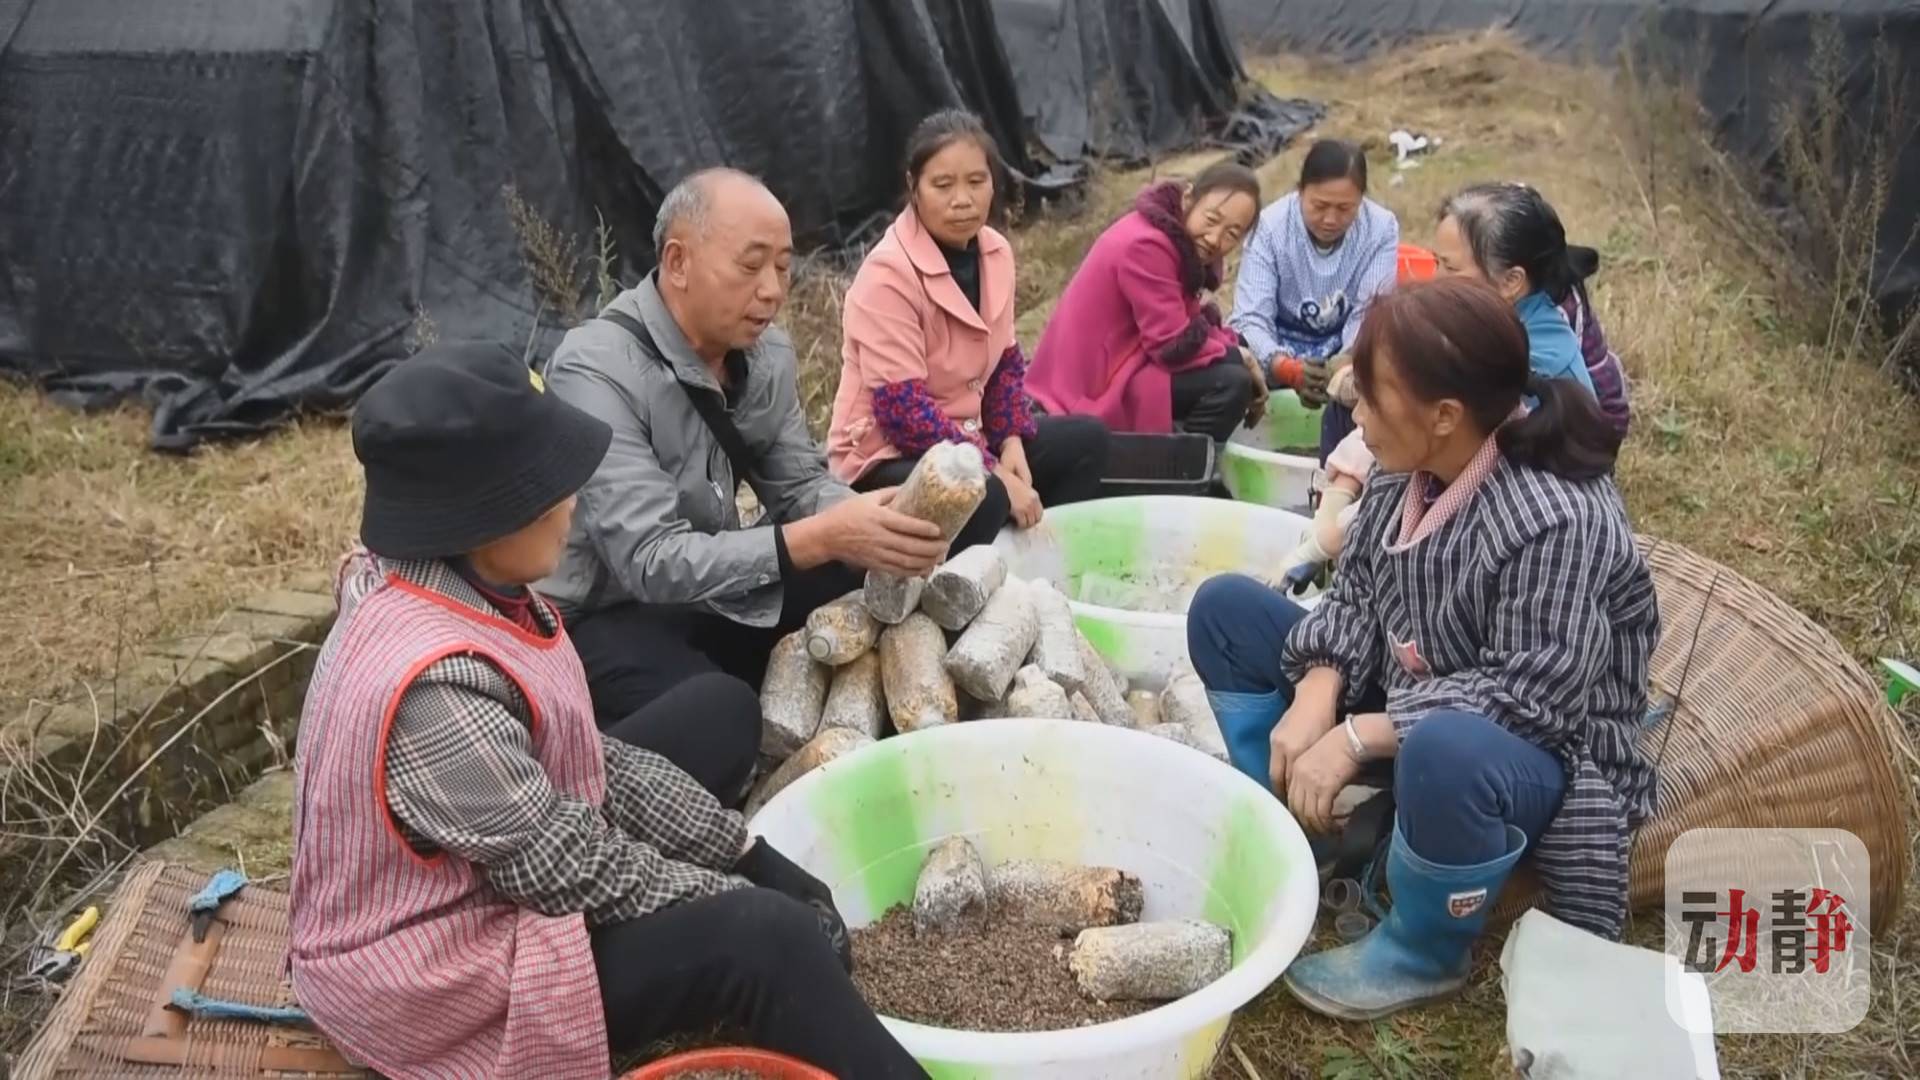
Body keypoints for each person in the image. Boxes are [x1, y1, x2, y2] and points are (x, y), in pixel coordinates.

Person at [289, 342, 925, 1080]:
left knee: (716, 721)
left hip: (494, 857)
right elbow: (568, 864)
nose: (574, 499)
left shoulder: (459, 578)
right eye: (552, 485)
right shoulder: (435, 694)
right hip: (426, 973)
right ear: (485, 516)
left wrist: (743, 849)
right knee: (764, 940)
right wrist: (734, 896)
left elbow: (594, 760)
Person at [1186, 279, 1660, 1020]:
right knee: (1224, 613)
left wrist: (1359, 734)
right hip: (1420, 682)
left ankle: (1424, 947)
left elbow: (1535, 697)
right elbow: (1359, 592)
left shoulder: (1556, 514)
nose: (1357, 413)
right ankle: (1294, 830)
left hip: (1537, 751)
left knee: (1442, 745)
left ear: (1445, 415)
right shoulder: (1408, 461)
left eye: (1372, 397)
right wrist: (1317, 694)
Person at [539, 168, 948, 723]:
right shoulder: (595, 368)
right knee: (721, 716)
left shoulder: (766, 355)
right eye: (751, 265)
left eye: (782, 267)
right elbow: (650, 560)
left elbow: (799, 485)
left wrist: (864, 523)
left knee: (906, 538)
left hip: (714, 583)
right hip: (606, 614)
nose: (774, 291)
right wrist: (822, 536)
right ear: (678, 262)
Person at [831, 110, 1110, 555]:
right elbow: (904, 413)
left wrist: (1011, 443)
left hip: (970, 439)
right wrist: (996, 471)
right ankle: (963, 589)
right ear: (914, 188)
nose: (962, 199)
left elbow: (1003, 367)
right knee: (982, 494)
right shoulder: (887, 275)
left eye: (976, 182)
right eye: (942, 185)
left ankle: (1041, 564)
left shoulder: (996, 253)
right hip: (889, 454)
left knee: (1086, 441)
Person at [1028, 161, 1265, 444]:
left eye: (1232, 234)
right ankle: (1174, 467)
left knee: (1236, 353)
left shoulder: (1176, 241)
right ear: (1188, 198)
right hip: (1092, 383)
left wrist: (1241, 352)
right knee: (1232, 383)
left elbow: (1185, 320)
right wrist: (1243, 358)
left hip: (1129, 358)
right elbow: (1171, 344)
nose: (1215, 239)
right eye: (1212, 219)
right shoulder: (1148, 245)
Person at [1229, 139, 1400, 461]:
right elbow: (1251, 316)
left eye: (1345, 208)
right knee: (1235, 367)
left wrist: (1347, 360)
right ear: (1300, 191)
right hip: (1277, 348)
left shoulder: (1381, 229)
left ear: (1361, 199)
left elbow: (1372, 310)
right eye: (1319, 206)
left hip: (1344, 352)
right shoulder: (1271, 226)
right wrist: (1285, 367)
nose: (1331, 219)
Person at [1432, 181, 1629, 432]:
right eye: (1435, 261)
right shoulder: (1494, 317)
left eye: (1450, 268)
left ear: (1511, 281)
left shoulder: (1536, 362)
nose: (1435, 280)